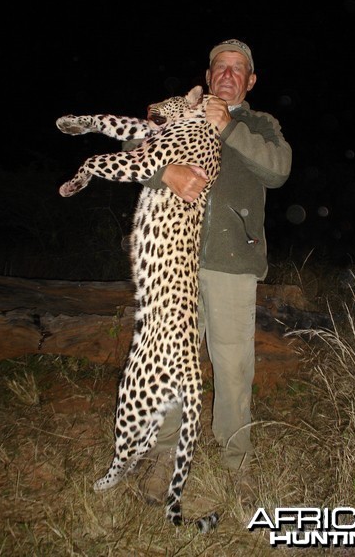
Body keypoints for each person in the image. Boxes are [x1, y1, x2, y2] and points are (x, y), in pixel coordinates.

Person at [123, 39, 292, 505]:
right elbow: (131, 144)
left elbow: (279, 170)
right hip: (174, 259)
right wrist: (165, 175)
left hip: (232, 264)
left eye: (239, 69)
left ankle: (236, 463)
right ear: (209, 73)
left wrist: (229, 129)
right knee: (172, 363)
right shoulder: (182, 110)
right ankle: (162, 458)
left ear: (250, 80)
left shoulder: (260, 124)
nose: (229, 74)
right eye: (222, 66)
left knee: (234, 366)